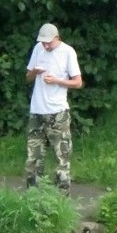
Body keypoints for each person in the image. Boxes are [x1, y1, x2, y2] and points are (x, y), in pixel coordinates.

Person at [24, 23, 83, 194]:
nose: (45, 45)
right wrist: (34, 72)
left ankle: (61, 199)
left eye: (48, 42)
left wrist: (57, 80)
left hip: (58, 113)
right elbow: (28, 78)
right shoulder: (38, 49)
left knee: (61, 157)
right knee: (33, 158)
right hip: (37, 112)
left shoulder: (68, 52)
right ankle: (33, 197)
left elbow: (78, 82)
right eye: (43, 42)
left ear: (57, 38)